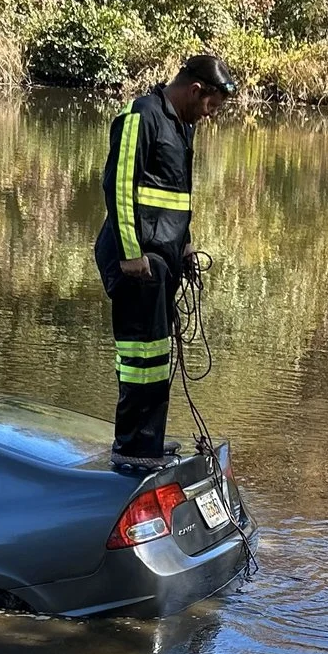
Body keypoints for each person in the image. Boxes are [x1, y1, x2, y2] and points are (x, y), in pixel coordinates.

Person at [95, 53, 235, 463]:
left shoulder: (182, 126)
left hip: (164, 258)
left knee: (157, 357)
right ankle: (132, 447)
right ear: (196, 90)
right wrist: (130, 254)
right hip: (136, 261)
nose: (210, 114)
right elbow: (118, 186)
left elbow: (176, 199)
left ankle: (148, 441)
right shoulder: (142, 114)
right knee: (139, 356)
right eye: (211, 105)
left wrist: (186, 245)